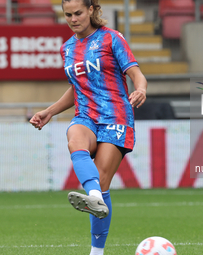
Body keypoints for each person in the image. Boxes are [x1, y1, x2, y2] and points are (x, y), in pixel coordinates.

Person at [29, 0, 147, 254]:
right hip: (86, 115)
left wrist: (141, 89)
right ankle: (92, 195)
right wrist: (50, 111)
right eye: (68, 14)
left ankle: (96, 250)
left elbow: (135, 72)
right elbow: (77, 87)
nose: (73, 19)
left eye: (78, 13)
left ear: (92, 10)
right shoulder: (67, 49)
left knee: (103, 183)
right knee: (74, 137)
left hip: (116, 118)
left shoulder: (111, 38)